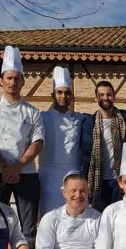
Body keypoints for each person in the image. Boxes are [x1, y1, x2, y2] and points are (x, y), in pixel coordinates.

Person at [0, 46, 45, 248]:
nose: (13, 82)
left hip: (27, 173)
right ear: (1, 80)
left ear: (23, 81)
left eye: (17, 78)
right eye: (9, 78)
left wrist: (18, 166)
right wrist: (4, 166)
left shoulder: (32, 112)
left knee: (28, 226)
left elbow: (38, 142)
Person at [81, 80, 126, 212]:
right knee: (99, 217)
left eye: (108, 94)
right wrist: (84, 181)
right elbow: (84, 154)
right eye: (101, 95)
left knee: (120, 216)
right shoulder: (89, 123)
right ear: (96, 98)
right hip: (98, 180)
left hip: (120, 179)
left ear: (114, 97)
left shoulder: (125, 119)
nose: (105, 98)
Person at [38, 67, 88, 216]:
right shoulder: (42, 117)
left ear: (72, 96)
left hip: (72, 172)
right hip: (47, 175)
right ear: (52, 95)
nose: (63, 96)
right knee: (50, 215)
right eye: (59, 92)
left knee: (74, 213)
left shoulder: (80, 118)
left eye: (67, 93)